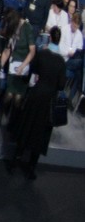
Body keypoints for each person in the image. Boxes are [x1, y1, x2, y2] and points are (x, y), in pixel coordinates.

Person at [5, 27, 66, 179]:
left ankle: (15, 160)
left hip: (36, 96)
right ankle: (31, 167)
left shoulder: (42, 54)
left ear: (50, 38)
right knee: (41, 133)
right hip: (48, 100)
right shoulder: (61, 61)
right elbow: (61, 85)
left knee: (27, 126)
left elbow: (31, 72)